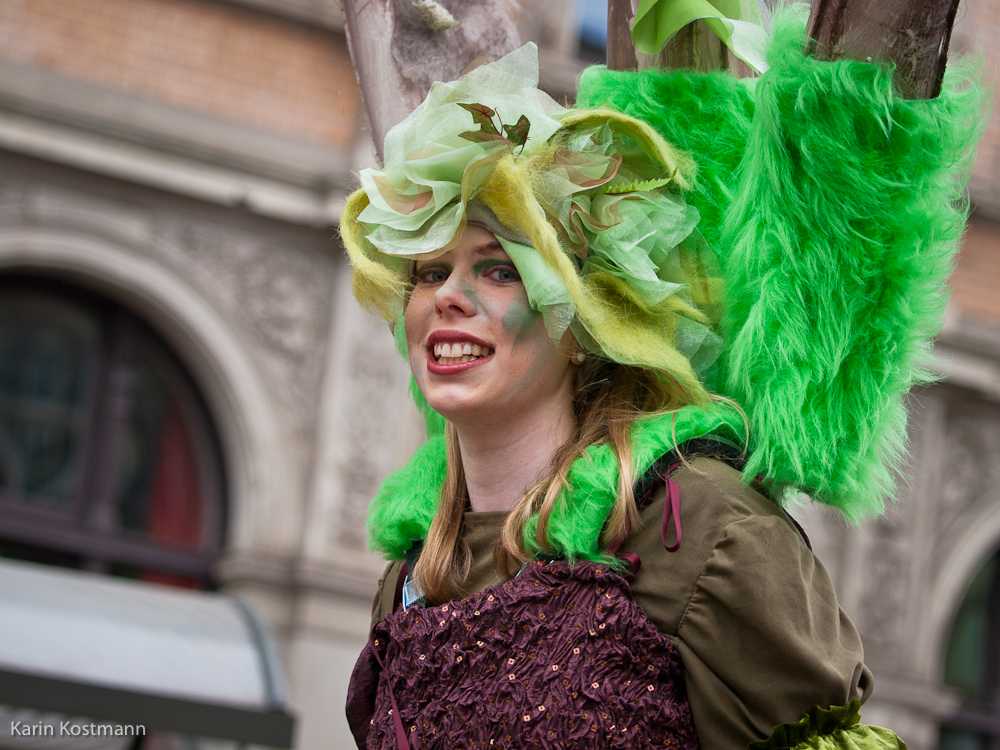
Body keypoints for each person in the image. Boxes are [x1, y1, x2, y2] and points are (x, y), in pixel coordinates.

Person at [340, 8, 982, 750]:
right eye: (428, 273)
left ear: (581, 323)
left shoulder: (698, 527)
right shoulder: (416, 573)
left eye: (498, 268)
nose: (449, 296)